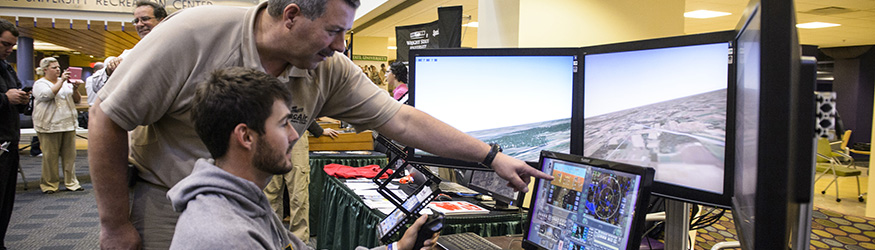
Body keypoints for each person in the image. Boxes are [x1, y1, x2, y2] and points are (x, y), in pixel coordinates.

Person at [89, 0, 552, 248]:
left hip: (247, 199)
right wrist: (114, 225)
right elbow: (108, 117)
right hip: (165, 201)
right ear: (291, 16)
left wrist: (492, 156)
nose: (341, 45)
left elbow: (403, 120)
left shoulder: (325, 66)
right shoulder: (191, 35)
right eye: (333, 31)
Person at [169, 67, 436, 250]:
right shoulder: (225, 235)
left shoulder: (245, 203)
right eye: (283, 123)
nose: (293, 134)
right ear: (246, 137)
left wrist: (396, 247)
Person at [262, 121, 338, 241]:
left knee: (298, 193)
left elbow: (306, 110)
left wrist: (319, 130)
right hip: (270, 135)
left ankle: (299, 240)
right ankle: (270, 237)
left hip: (296, 135)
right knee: (270, 194)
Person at [32, 57, 85, 194]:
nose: (57, 69)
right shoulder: (40, 84)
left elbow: (77, 100)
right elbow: (47, 95)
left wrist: (74, 88)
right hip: (49, 125)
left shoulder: (66, 84)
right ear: (45, 70)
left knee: (70, 157)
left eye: (58, 67)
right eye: (54, 67)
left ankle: (71, 183)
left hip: (68, 124)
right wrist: (61, 81)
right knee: (50, 157)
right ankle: (50, 185)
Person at [0, 18, 25, 250]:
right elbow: (6, 97)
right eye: (5, 44)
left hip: (9, 141)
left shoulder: (6, 68)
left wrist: (22, 99)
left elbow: (15, 93)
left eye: (12, 46)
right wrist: (5, 98)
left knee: (6, 201)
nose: (9, 50)